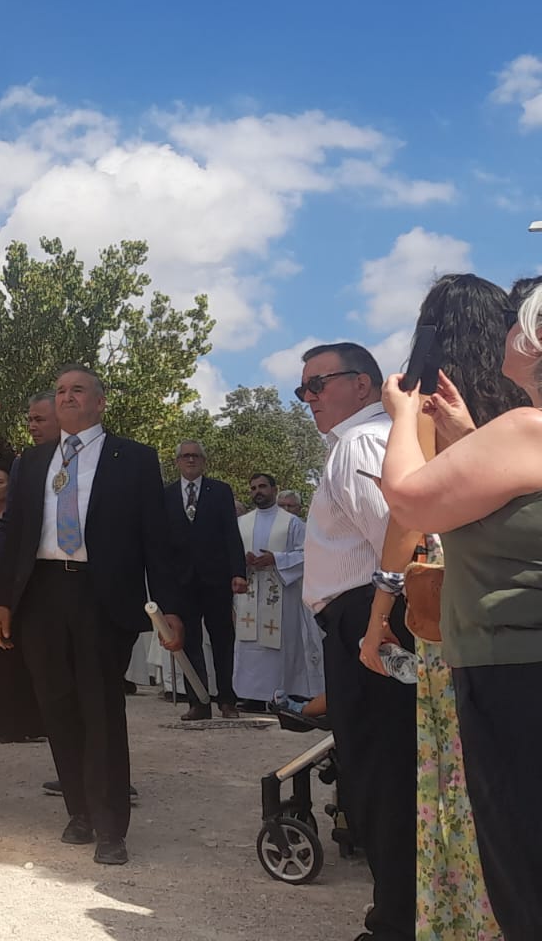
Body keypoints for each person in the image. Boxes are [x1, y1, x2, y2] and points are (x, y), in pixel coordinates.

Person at [379, 280, 542, 940]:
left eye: (515, 322)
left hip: (515, 671)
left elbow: (410, 502)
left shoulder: (528, 430)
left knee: (524, 869)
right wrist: (473, 438)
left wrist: (399, 419)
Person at [0, 365, 184, 866]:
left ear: (99, 402)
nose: (67, 398)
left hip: (101, 594)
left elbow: (156, 540)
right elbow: (14, 536)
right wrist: (3, 602)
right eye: (60, 392)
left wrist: (171, 608)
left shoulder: (134, 459)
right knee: (57, 706)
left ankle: (111, 826)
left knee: (100, 708)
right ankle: (78, 811)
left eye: (78, 390)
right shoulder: (32, 463)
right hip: (42, 595)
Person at [297, 341, 415, 941]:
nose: (309, 398)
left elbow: (403, 542)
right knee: (378, 772)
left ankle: (396, 922)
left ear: (364, 385)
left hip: (369, 620)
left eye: (320, 384)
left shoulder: (361, 444)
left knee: (383, 776)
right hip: (360, 617)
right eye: (304, 389)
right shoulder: (361, 443)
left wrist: (375, 625)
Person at [165, 440, 245, 721]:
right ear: (177, 462)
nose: (190, 460)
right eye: (185, 456)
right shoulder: (166, 495)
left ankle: (227, 700)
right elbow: (161, 542)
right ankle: (198, 701)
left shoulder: (220, 491)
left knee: (223, 639)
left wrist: (238, 572)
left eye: (195, 456)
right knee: (189, 643)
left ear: (203, 461)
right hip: (182, 582)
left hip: (216, 578)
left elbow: (231, 534)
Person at [232, 473, 324, 705]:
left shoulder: (292, 523)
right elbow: (229, 553)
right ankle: (249, 695)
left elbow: (308, 555)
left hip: (281, 592)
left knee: (281, 644)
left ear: (274, 489)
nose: (257, 492)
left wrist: (277, 559)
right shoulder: (242, 523)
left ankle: (280, 694)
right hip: (250, 591)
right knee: (248, 643)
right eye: (253, 488)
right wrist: (242, 561)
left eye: (262, 486)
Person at [0, 459, 43, 745]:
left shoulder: (17, 515)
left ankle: (28, 721)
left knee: (18, 652)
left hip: (16, 584)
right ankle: (1, 722)